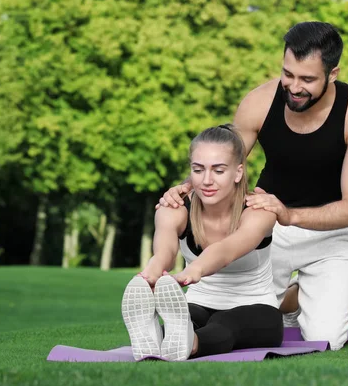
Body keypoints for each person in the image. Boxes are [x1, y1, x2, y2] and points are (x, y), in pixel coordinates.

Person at [157, 21, 348, 351]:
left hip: (331, 237)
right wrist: (183, 188)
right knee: (225, 312)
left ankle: (295, 298)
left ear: (333, 74)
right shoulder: (259, 102)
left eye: (307, 79)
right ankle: (194, 329)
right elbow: (224, 161)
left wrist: (289, 214)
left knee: (326, 339)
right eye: (288, 74)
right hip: (265, 227)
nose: (294, 86)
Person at [121, 124, 283, 361]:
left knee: (224, 322)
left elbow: (227, 250)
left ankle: (192, 343)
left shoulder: (259, 210)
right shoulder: (174, 209)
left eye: (218, 171)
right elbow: (165, 250)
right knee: (187, 316)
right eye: (198, 170)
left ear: (238, 173)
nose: (207, 180)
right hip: (199, 301)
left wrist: (192, 270)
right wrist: (152, 273)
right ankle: (154, 337)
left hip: (257, 308)